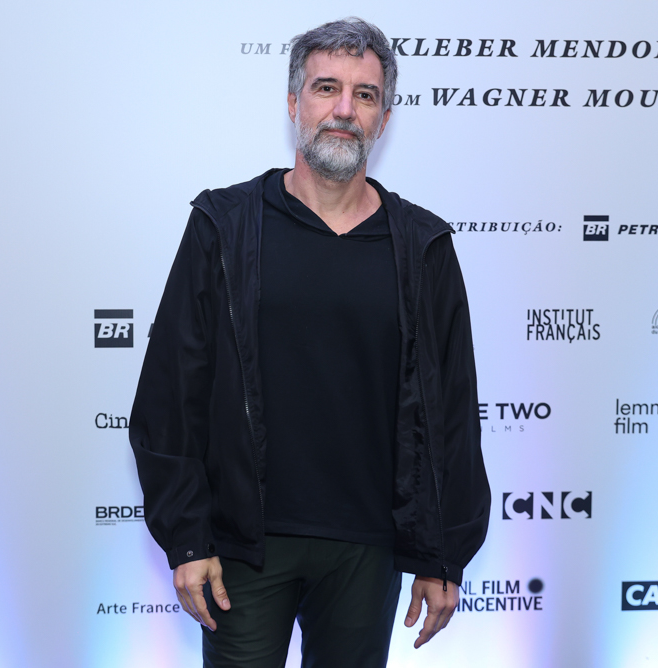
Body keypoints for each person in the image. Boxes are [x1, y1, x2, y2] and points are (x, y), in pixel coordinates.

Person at [130, 17, 490, 667]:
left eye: (365, 94)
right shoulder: (223, 226)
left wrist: (443, 553)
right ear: (294, 102)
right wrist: (187, 537)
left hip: (368, 552)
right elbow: (170, 391)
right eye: (327, 88)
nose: (344, 109)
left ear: (384, 118)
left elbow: (455, 415)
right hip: (243, 549)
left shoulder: (424, 246)